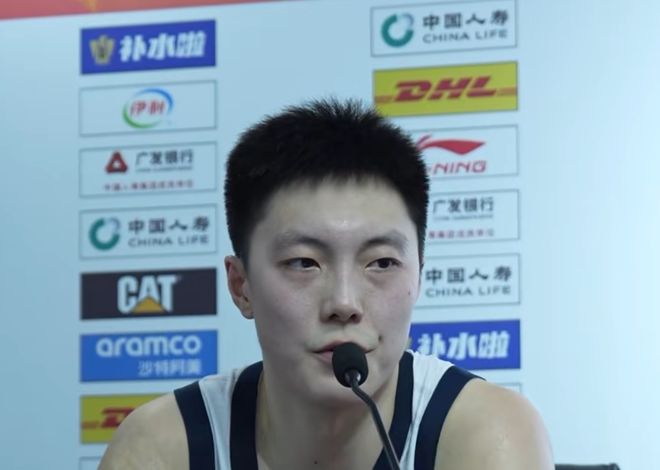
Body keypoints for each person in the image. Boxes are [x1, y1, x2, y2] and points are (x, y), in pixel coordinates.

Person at [100, 99, 553, 470]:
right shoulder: (164, 446)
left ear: (419, 274)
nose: (344, 302)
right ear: (241, 286)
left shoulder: (484, 433)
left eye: (381, 263)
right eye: (304, 263)